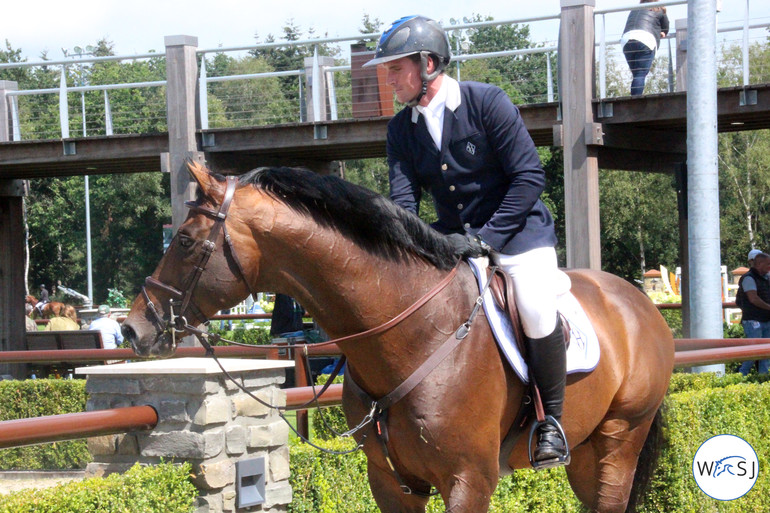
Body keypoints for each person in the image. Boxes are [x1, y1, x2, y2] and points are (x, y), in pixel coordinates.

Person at [364, 15, 568, 468]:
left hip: (519, 234)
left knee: (534, 305)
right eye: (388, 70)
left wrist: (488, 238)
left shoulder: (486, 102)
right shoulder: (401, 130)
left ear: (429, 64)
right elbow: (404, 204)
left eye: (396, 68)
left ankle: (550, 422)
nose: (390, 78)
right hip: (453, 241)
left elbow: (530, 177)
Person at [620, 0, 669, 96]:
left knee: (636, 74)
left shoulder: (635, 10)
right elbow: (666, 28)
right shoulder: (659, 9)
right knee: (640, 73)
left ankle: (634, 98)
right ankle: (635, 101)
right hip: (645, 39)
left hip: (627, 40)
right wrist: (662, 33)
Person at [736, 251, 770, 375]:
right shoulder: (748, 278)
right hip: (753, 320)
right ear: (759, 264)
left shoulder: (765, 278)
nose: (769, 267)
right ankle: (741, 374)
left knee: (766, 352)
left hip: (765, 319)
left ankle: (763, 378)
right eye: (768, 264)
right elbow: (753, 299)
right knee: (753, 351)